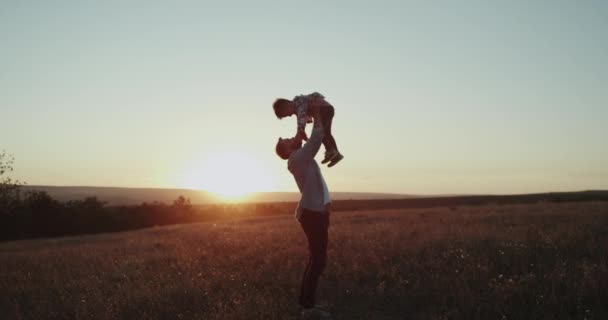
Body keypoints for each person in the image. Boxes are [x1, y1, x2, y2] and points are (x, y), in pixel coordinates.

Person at [275, 104, 333, 319]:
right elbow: (316, 140)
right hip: (312, 215)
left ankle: (307, 305)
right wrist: (317, 112)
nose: (291, 138)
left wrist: (301, 127)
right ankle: (307, 309)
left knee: (317, 260)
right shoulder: (296, 158)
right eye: (287, 141)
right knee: (318, 261)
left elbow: (307, 139)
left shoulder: (299, 157)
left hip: (315, 214)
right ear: (287, 151)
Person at [273, 92, 343, 167]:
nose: (289, 115)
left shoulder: (297, 105)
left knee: (322, 133)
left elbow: (301, 118)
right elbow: (303, 116)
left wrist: (300, 129)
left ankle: (331, 151)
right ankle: (336, 154)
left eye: (286, 114)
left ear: (285, 106)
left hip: (324, 110)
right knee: (327, 133)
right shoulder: (298, 104)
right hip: (327, 109)